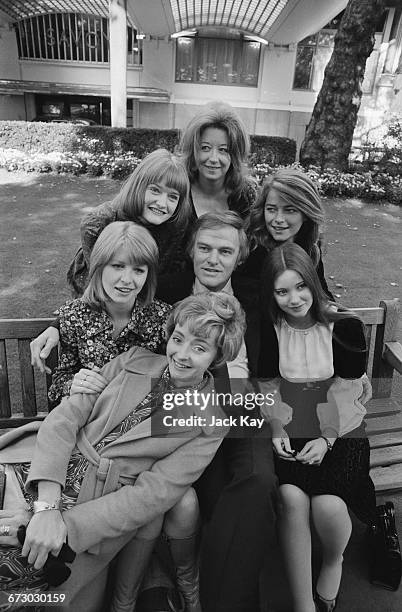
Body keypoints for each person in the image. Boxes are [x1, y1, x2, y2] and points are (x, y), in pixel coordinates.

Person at [0, 292, 246, 612]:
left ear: (216, 356)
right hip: (39, 465)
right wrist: (46, 506)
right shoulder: (133, 359)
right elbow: (65, 417)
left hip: (91, 508)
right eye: (178, 339)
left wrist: (59, 525)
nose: (181, 355)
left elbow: (151, 496)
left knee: (15, 565)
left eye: (199, 348)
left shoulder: (210, 422)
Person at [156, 212, 277, 612]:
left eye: (225, 251)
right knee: (215, 495)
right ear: (191, 250)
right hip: (189, 410)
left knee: (258, 481)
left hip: (244, 405)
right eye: (204, 248)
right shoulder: (165, 292)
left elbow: (309, 301)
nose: (213, 259)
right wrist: (56, 326)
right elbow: (109, 298)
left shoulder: (256, 297)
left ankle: (226, 601)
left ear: (239, 257)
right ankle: (220, 597)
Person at [257, 243, 377, 612]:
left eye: (300, 287)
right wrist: (276, 426)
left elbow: (347, 388)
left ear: (313, 282)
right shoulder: (270, 328)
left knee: (326, 506)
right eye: (282, 291)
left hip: (341, 430)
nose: (293, 299)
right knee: (292, 498)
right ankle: (303, 605)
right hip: (293, 427)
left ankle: (332, 561)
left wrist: (327, 438)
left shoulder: (345, 326)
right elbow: (268, 385)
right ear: (271, 294)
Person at [46, 221, 171, 404]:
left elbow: (179, 375)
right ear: (99, 266)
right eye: (118, 266)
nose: (127, 279)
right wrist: (72, 384)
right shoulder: (74, 317)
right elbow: (58, 383)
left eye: (138, 270)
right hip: (91, 419)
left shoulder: (162, 318)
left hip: (138, 420)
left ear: (148, 275)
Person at [67, 148, 191, 297]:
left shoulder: (175, 226)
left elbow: (158, 276)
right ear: (138, 186)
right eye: (155, 190)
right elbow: (99, 280)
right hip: (96, 292)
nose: (162, 203)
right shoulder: (99, 222)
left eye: (172, 197)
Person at [244, 166, 332, 297]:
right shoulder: (251, 248)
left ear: (306, 213)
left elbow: (321, 295)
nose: (278, 219)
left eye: (290, 210)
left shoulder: (310, 246)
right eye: (271, 209)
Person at [178, 101, 258, 221]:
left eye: (223, 150)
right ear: (193, 151)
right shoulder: (178, 190)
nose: (214, 159)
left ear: (235, 155)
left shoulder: (245, 197)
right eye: (205, 148)